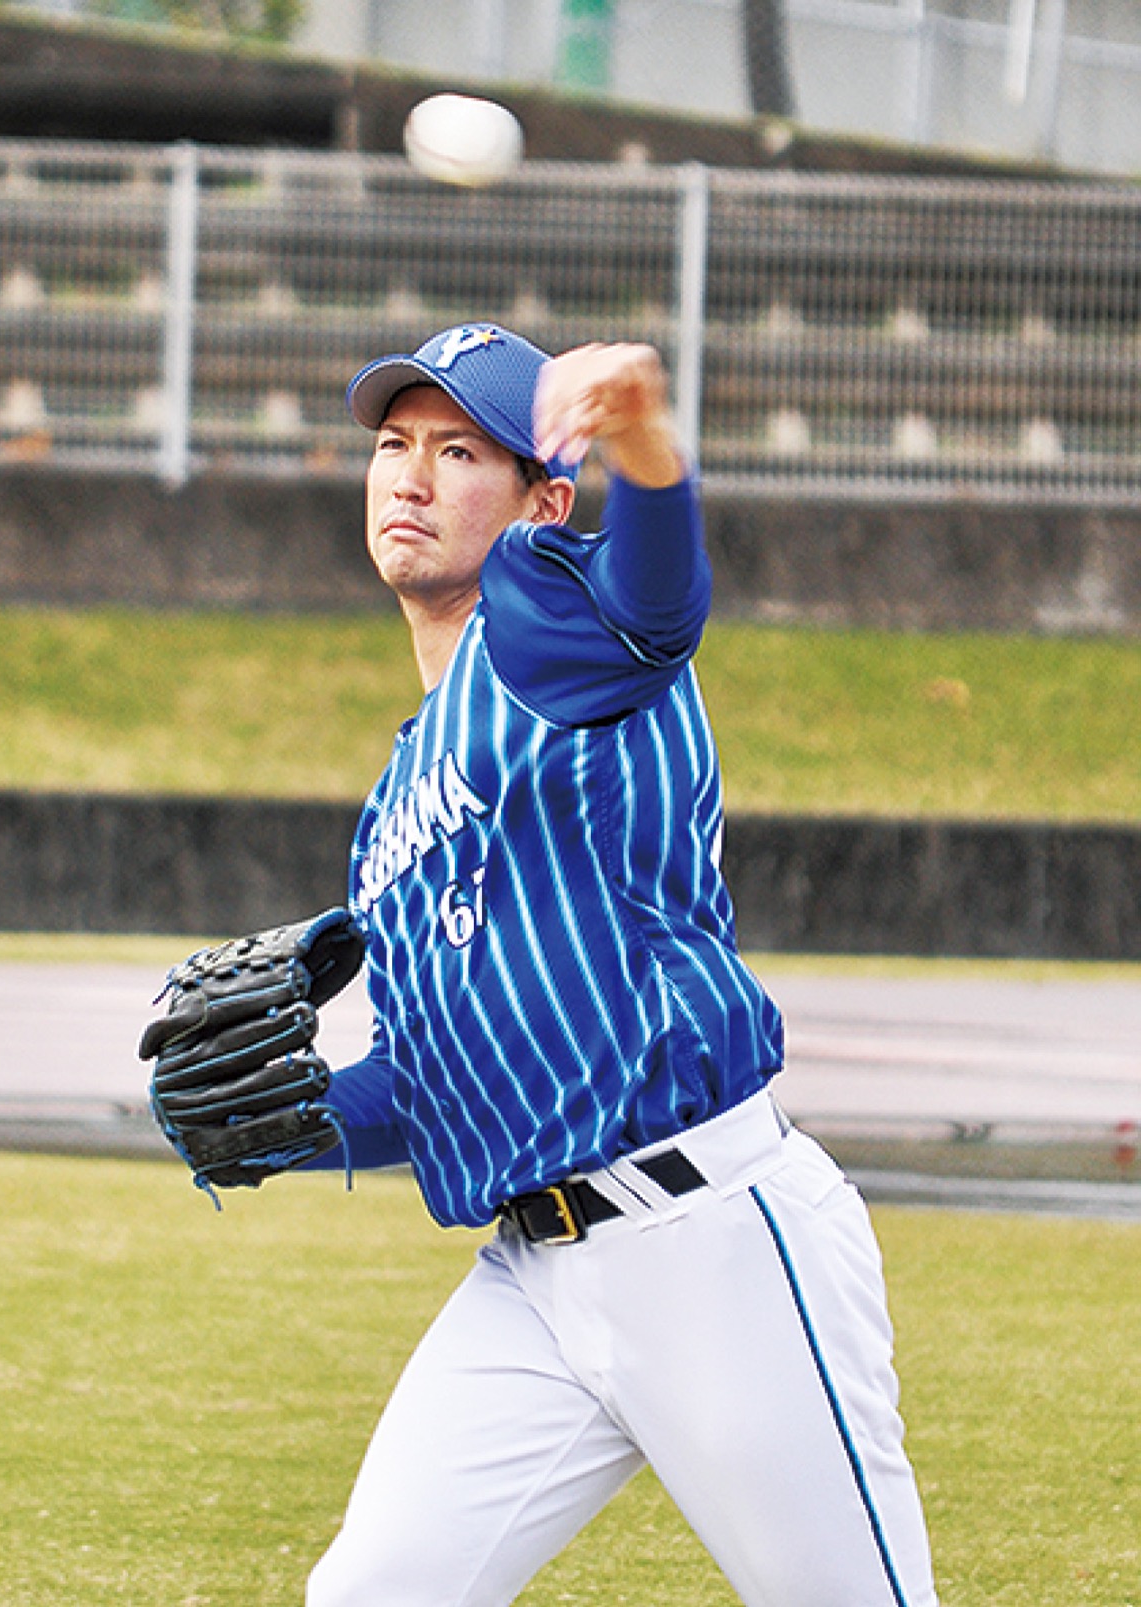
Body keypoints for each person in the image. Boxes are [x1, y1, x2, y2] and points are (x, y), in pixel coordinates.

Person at [302, 322, 939, 1606]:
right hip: (532, 1279)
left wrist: (643, 438)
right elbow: (437, 1082)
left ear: (544, 501)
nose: (411, 477)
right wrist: (283, 1117)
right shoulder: (398, 800)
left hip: (708, 1240)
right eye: (395, 445)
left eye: (460, 452)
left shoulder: (553, 619)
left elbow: (661, 599)